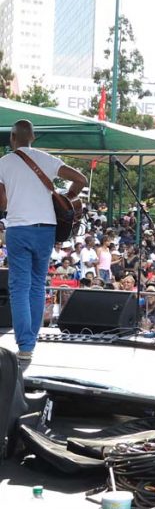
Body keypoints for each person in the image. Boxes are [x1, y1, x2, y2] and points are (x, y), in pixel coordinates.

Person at [0, 119, 87, 362]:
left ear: (12, 139)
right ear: (33, 138)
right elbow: (81, 179)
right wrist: (67, 197)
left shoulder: (4, 163)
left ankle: (25, 344)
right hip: (46, 228)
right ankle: (31, 343)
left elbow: (3, 203)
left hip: (18, 228)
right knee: (37, 285)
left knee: (19, 287)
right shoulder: (46, 158)